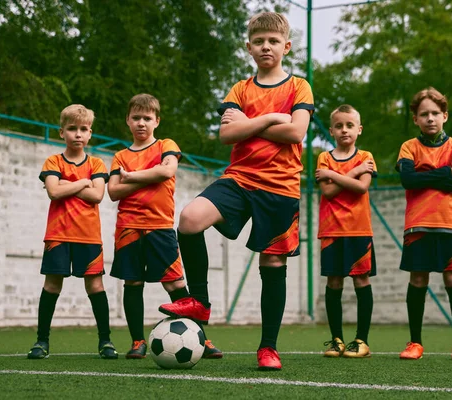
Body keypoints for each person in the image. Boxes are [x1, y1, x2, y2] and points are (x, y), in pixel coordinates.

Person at [158, 11, 314, 371]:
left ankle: (268, 348)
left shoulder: (299, 87)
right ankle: (199, 301)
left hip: (280, 186)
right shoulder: (240, 89)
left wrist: (248, 124)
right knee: (190, 219)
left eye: (273, 41)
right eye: (259, 41)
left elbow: (296, 133)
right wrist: (270, 119)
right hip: (240, 178)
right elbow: (227, 134)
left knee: (272, 262)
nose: (266, 46)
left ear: (286, 46)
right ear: (249, 47)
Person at [107, 93, 222, 359]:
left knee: (175, 285)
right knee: (132, 283)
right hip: (128, 228)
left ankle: (201, 339)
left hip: (160, 227)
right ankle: (137, 341)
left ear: (157, 121)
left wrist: (132, 177)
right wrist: (150, 176)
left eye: (147, 118)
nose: (141, 123)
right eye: (136, 118)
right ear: (128, 120)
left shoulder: (166, 146)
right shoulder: (120, 156)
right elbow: (113, 191)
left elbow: (167, 171)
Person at [28, 104, 117, 360]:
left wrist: (66, 183)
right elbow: (53, 192)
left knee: (96, 285)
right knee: (52, 284)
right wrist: (80, 182)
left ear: (90, 134)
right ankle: (41, 341)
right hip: (58, 235)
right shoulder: (53, 161)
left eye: (83, 129)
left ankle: (105, 342)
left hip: (88, 236)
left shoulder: (97, 163)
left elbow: (97, 195)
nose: (78, 134)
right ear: (61, 132)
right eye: (72, 129)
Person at [395, 87, 452, 360]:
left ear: (445, 116)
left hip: (450, 224)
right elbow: (407, 180)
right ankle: (415, 342)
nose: (430, 118)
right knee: (418, 278)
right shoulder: (409, 147)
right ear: (415, 118)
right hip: (417, 225)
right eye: (424, 114)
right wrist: (442, 173)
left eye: (435, 113)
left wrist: (425, 174)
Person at [315, 105, 377, 359]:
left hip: (359, 230)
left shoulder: (367, 156)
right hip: (331, 230)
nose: (344, 130)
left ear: (359, 129)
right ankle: (337, 339)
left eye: (350, 125)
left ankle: (361, 340)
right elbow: (327, 192)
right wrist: (350, 172)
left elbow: (361, 188)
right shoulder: (324, 158)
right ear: (331, 130)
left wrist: (335, 175)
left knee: (361, 281)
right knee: (334, 282)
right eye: (339, 126)